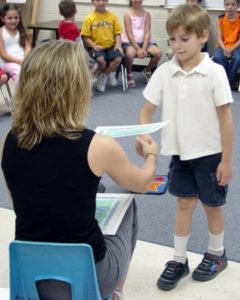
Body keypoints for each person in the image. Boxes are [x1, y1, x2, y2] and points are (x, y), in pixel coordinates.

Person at [1, 40, 159, 300]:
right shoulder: (99, 146)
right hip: (88, 278)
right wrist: (151, 155)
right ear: (75, 88)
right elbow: (142, 183)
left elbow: (20, 201)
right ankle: (115, 292)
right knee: (127, 203)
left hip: (30, 274)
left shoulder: (8, 140)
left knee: (95, 187)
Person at [137, 4, 233, 291]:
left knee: (212, 205)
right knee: (183, 203)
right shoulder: (165, 72)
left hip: (210, 154)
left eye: (184, 39)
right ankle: (179, 259)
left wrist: (226, 161)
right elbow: (146, 110)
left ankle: (217, 253)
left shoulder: (214, 72)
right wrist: (144, 135)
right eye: (172, 40)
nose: (176, 46)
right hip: (179, 153)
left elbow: (226, 120)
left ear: (203, 36)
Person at [81, 0, 123, 92]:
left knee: (118, 59)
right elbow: (85, 37)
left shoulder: (113, 16)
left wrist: (118, 44)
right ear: (92, 1)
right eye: (98, 0)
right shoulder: (89, 18)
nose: (101, 2)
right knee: (101, 60)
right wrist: (94, 46)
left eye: (104, 0)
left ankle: (104, 74)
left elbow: (117, 33)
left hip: (111, 45)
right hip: (96, 46)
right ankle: (109, 72)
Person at [121, 0, 162, 87]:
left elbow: (147, 33)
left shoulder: (147, 14)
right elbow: (129, 34)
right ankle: (129, 74)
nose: (137, 1)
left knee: (158, 53)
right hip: (131, 42)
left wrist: (143, 48)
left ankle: (147, 70)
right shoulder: (127, 14)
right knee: (130, 54)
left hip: (145, 42)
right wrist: (138, 49)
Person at [58, 0, 98, 76]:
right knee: (94, 65)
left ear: (60, 12)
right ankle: (85, 80)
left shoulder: (61, 23)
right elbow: (70, 45)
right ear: (75, 11)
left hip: (64, 51)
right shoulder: (73, 28)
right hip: (74, 54)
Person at [0, 3, 31, 85]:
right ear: (3, 19)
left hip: (22, 60)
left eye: (16, 18)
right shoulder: (1, 32)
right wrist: (20, 62)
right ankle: (20, 95)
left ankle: (34, 92)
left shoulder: (22, 30)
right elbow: (3, 54)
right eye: (10, 18)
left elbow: (27, 47)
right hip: (6, 63)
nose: (13, 20)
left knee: (37, 68)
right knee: (18, 70)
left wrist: (25, 59)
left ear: (19, 18)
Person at [213, 0, 240, 90]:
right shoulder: (220, 18)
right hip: (222, 45)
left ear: (237, 6)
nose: (230, 7)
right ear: (224, 6)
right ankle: (229, 79)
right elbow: (219, 38)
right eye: (227, 4)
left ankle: (226, 82)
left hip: (236, 46)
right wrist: (225, 49)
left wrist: (231, 49)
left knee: (237, 58)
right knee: (217, 57)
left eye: (233, 4)